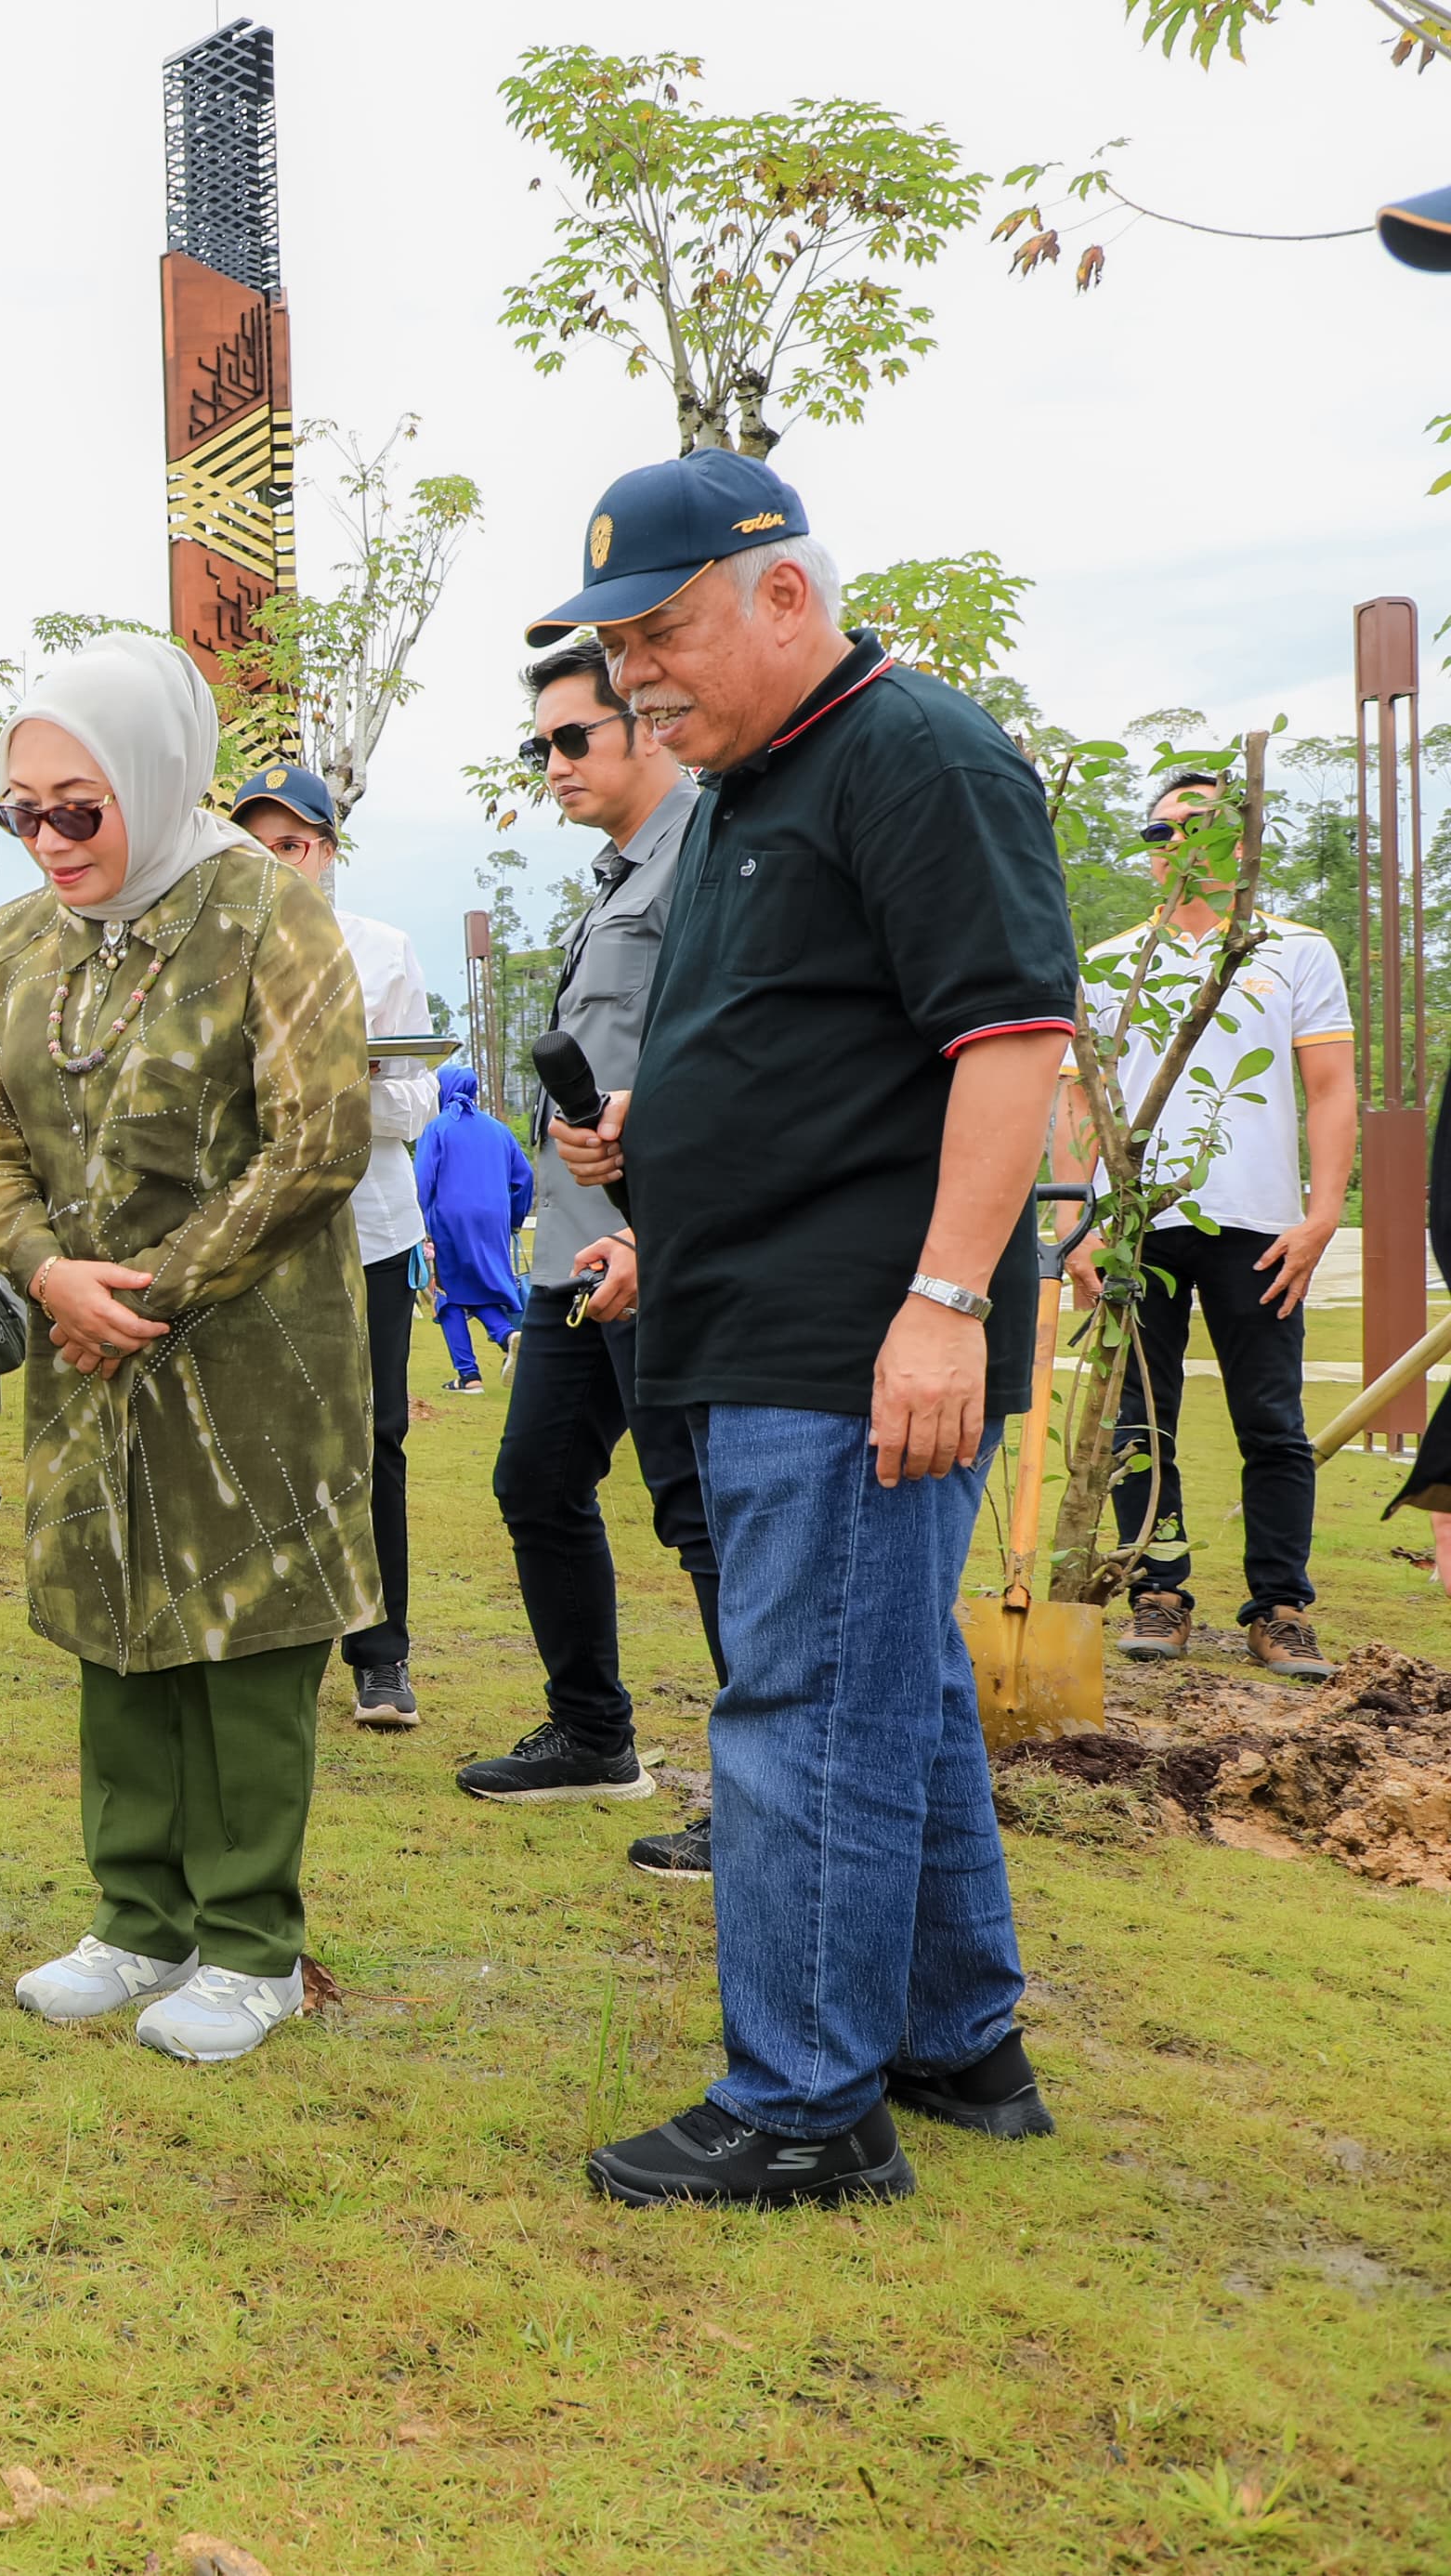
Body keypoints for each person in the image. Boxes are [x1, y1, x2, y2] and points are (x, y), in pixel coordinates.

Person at [538, 451, 1078, 2206]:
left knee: (804, 1708)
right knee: (894, 1690)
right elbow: (804, 1049)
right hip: (758, 1307)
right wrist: (663, 1161)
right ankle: (954, 2037)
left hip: (856, 1338)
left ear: (785, 593)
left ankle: (804, 2103)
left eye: (663, 634)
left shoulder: (917, 752)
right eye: (619, 649)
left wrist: (944, 1303)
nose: (636, 678)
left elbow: (1011, 1040)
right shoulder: (751, 785)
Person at [0, 635, 378, 2067]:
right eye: (22, 811)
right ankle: (138, 1918)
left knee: (245, 1631)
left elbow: (318, 1141)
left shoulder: (267, 913)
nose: (50, 839)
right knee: (113, 1620)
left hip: (253, 1347)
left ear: (154, 775)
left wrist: (145, 1293)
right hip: (83, 1351)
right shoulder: (17, 942)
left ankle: (251, 1947)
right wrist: (46, 1274)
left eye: (80, 808)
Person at [454, 635, 728, 1835]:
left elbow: (721, 1050)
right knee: (535, 1479)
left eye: (573, 737)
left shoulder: (706, 855)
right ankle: (592, 1735)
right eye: (540, 746)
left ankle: (762, 1793)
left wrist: (656, 1219)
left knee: (699, 1512)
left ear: (647, 727)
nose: (553, 763)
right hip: (571, 1247)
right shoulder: (622, 872)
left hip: (657, 1242)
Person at [1060, 774, 1358, 1681]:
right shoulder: (1113, 962)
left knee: (1270, 1420)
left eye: (1198, 828)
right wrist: (1078, 1223)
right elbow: (1078, 1097)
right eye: (1160, 831)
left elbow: (1330, 1089)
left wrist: (1320, 1215)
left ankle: (1280, 1606)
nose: (1176, 845)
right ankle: (1157, 1590)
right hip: (1135, 1226)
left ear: (1240, 841)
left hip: (1259, 1227)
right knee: (1138, 1422)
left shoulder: (1292, 950)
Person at [229, 765, 437, 1721]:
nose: (274, 861)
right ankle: (266, 1643)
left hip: (367, 1229)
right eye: (254, 845)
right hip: (253, 1231)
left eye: (291, 844)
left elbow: (415, 1099)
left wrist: (340, 1082)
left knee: (373, 1434)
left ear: (323, 850)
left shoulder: (381, 950)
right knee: (260, 1432)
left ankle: (379, 1652)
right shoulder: (210, 956)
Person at [412, 1066, 531, 1388]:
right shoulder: (499, 1129)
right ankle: (506, 1337)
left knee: (447, 1293)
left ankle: (470, 1375)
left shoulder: (437, 1128)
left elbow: (422, 1180)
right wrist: (514, 1220)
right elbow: (524, 1177)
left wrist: (418, 1223)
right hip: (494, 1221)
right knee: (478, 1286)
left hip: (451, 1219)